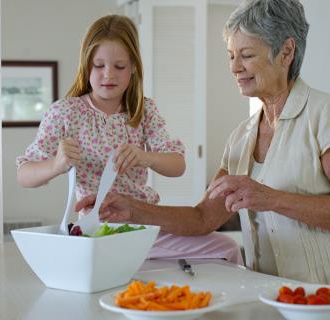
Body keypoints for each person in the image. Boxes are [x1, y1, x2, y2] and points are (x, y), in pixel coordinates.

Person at [75, 2, 330, 315]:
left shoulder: (326, 113)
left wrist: (269, 198)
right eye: (230, 56)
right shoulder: (241, 137)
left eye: (247, 55)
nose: (234, 67)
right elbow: (202, 219)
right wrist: (132, 210)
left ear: (286, 52)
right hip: (277, 293)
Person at [17, 15, 243, 265]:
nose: (108, 75)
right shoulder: (65, 112)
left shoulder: (144, 111)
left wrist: (146, 157)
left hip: (144, 224)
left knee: (226, 248)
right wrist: (55, 165)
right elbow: (24, 175)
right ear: (85, 65)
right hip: (99, 230)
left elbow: (178, 166)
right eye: (99, 65)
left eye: (119, 66)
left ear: (134, 66)